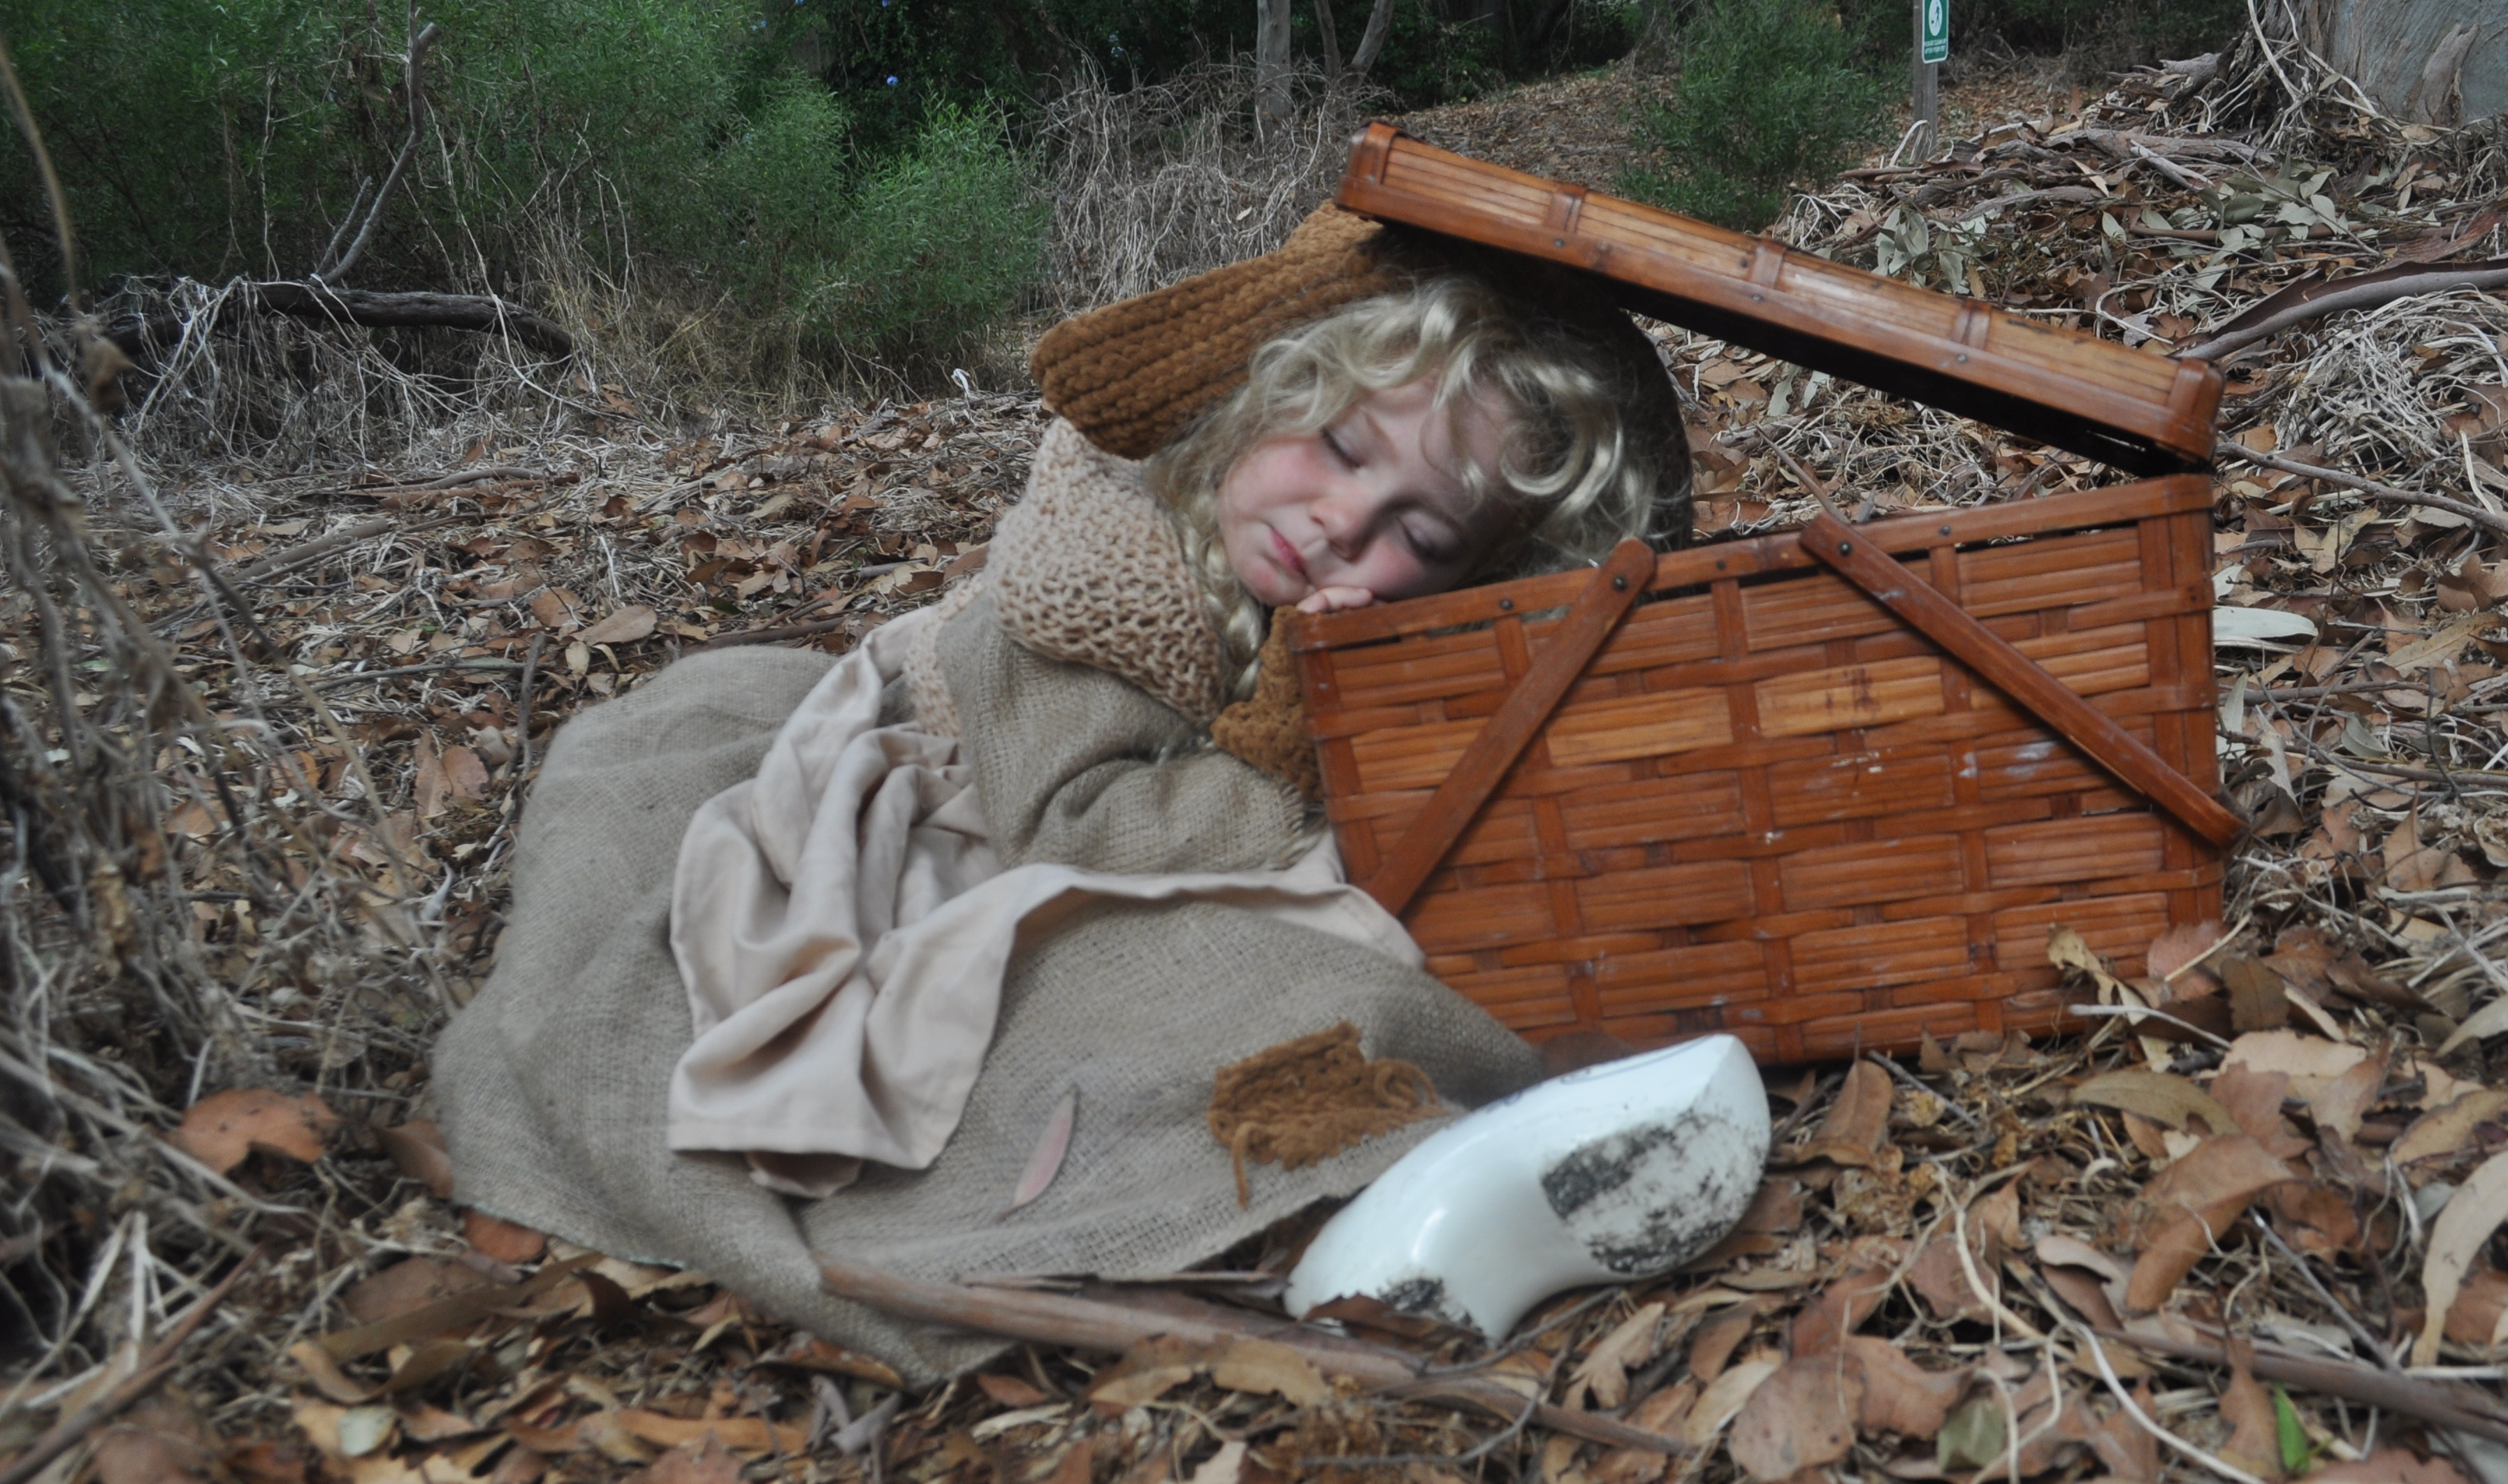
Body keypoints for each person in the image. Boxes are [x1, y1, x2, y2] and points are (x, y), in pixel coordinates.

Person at [431, 205, 1697, 1375]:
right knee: (1215, 977)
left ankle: (1462, 1154)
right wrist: (1292, 725)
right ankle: (1399, 1170)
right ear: (1270, 396)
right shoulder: (1098, 585)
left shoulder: (1319, 605)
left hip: (1135, 799)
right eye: (1338, 446)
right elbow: (1080, 837)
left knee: (1330, 932)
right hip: (990, 802)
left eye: (1420, 534)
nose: (1344, 525)